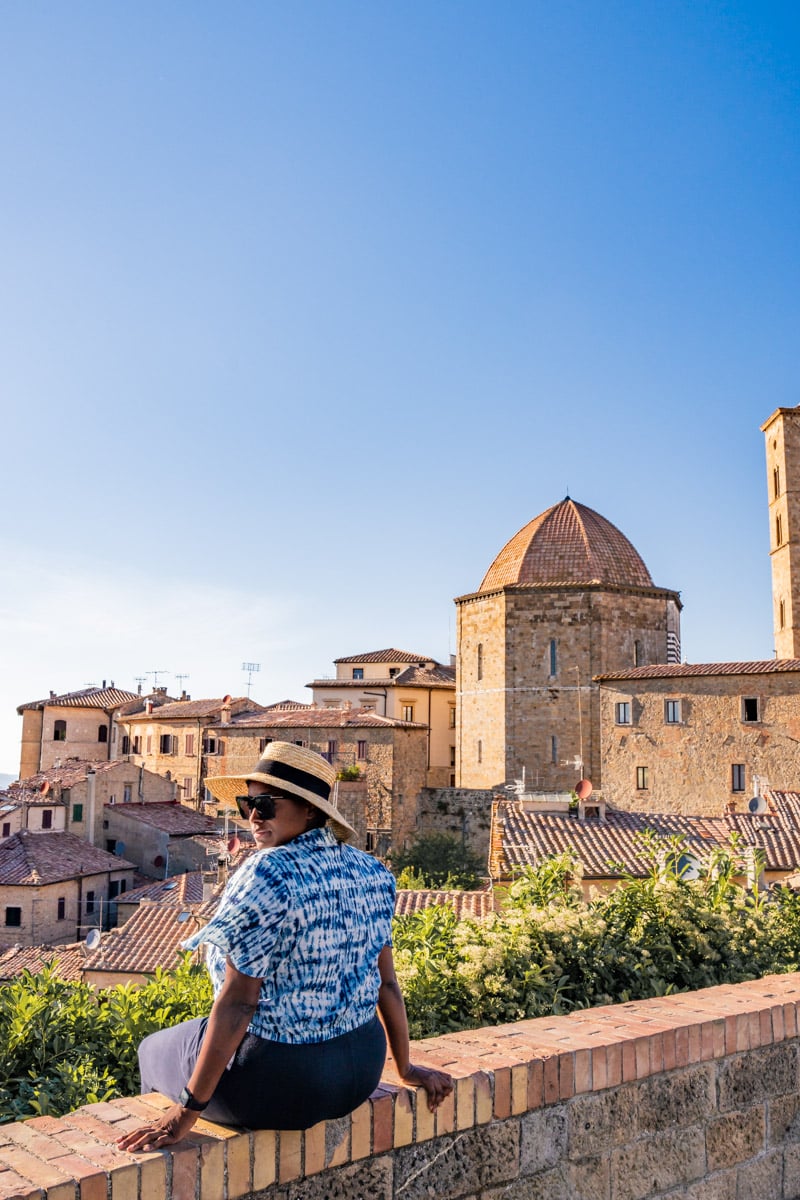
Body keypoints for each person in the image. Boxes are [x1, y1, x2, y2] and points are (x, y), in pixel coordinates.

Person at [117, 741, 452, 1152]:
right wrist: (405, 1068)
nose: (253, 817)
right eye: (246, 804)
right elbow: (386, 985)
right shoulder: (372, 870)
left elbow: (240, 1002)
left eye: (266, 804)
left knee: (151, 1049)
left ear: (310, 809)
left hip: (281, 1084)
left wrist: (184, 1114)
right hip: (361, 1071)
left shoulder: (266, 871)